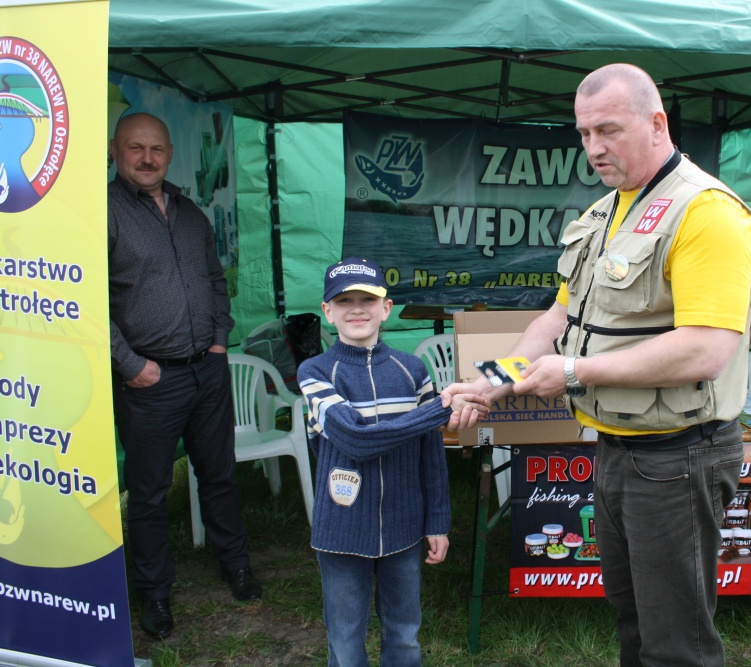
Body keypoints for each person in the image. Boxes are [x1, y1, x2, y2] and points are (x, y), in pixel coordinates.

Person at [443, 63, 751, 667]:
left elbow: (707, 348)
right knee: (633, 615)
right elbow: (557, 318)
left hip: (679, 456)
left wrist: (573, 373)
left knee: (677, 641)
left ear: (657, 123)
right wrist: (494, 381)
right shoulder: (607, 211)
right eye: (585, 133)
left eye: (608, 130)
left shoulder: (705, 212)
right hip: (616, 446)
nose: (593, 148)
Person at [108, 112, 261, 640]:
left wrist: (219, 341)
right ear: (114, 150)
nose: (147, 158)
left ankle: (236, 565)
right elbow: (86, 301)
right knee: (149, 493)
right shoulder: (103, 213)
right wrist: (131, 366)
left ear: (170, 154)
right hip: (150, 382)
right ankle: (154, 593)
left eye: (156, 149)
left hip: (206, 371)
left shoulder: (189, 212)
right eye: (135, 148)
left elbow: (216, 280)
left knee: (219, 475)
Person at [297, 257, 487, 667]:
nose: (356, 309)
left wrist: (437, 521)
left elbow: (430, 454)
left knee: (404, 637)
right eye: (344, 300)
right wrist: (441, 408)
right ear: (327, 311)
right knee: (345, 642)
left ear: (386, 308)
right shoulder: (315, 372)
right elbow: (355, 440)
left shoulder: (412, 370)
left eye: (368, 299)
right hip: (341, 531)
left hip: (405, 526)